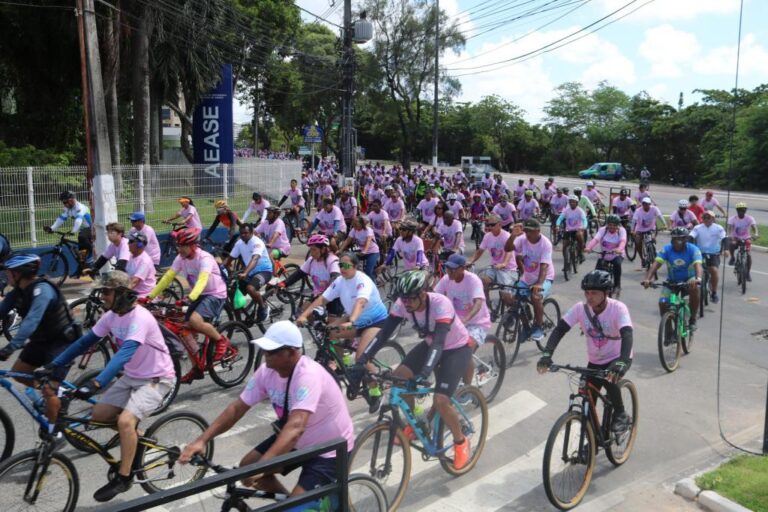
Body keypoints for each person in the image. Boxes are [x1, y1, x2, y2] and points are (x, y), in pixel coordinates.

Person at [178, 321, 354, 503]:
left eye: (271, 352)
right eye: (265, 350)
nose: (265, 356)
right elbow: (237, 408)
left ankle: (299, 504)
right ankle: (290, 502)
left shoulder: (308, 375)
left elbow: (296, 427)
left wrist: (264, 465)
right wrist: (202, 440)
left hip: (328, 449)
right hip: (298, 441)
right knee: (247, 469)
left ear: (292, 353)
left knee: (278, 487)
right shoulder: (266, 372)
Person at [43, 271, 175, 502]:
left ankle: (124, 478)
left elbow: (124, 354)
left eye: (107, 291)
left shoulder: (140, 318)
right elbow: (84, 342)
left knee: (125, 421)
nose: (102, 296)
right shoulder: (112, 316)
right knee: (98, 415)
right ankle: (134, 436)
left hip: (156, 378)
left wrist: (97, 382)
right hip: (132, 376)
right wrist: (53, 365)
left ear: (122, 295)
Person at [356, 270, 472, 470]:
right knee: (400, 379)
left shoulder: (440, 304)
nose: (406, 302)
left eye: (410, 298)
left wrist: (425, 372)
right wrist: (363, 359)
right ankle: (418, 423)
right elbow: (384, 334)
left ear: (423, 293)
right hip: (431, 345)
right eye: (403, 298)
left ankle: (461, 442)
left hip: (455, 348)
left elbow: (439, 342)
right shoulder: (403, 304)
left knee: (441, 401)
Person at [537, 270, 633, 434]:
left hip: (617, 357)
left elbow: (627, 334)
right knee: (587, 398)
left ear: (605, 293)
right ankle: (593, 438)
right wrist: (547, 354)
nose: (589, 297)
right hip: (595, 360)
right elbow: (560, 329)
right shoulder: (580, 309)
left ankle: (620, 413)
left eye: (594, 293)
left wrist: (622, 361)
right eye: (587, 293)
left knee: (610, 379)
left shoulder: (618, 308)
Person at [296, 253, 388, 413]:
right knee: (330, 333)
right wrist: (304, 315)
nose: (342, 269)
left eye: (346, 266)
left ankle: (375, 391)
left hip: (374, 321)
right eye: (340, 266)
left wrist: (351, 321)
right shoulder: (340, 281)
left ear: (355, 266)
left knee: (362, 357)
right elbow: (322, 300)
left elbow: (360, 302)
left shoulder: (362, 281)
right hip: (354, 319)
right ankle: (343, 364)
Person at [0, 254, 80, 435]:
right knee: (19, 373)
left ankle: (55, 432)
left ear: (20, 273)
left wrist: (10, 347)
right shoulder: (17, 292)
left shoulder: (42, 290)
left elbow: (31, 321)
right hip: (41, 340)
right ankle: (56, 394)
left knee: (48, 390)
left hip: (62, 342)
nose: (7, 276)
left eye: (10, 273)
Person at [147, 227, 230, 380]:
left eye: (183, 246)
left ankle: (220, 340)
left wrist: (190, 298)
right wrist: (150, 296)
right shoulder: (180, 259)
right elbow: (167, 277)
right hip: (198, 295)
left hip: (214, 293)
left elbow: (203, 280)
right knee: (183, 329)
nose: (180, 249)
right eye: (178, 246)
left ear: (193, 246)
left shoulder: (204, 258)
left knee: (194, 320)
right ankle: (197, 366)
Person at [434, 254, 492, 387]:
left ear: (462, 268)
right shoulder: (447, 279)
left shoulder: (473, 280)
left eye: (453, 269)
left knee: (464, 352)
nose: (449, 272)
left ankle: (467, 389)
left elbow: (478, 303)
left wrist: (466, 318)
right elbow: (435, 295)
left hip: (476, 323)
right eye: (448, 269)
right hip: (457, 323)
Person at [642, 227, 703, 331]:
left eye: (681, 239)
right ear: (672, 239)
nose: (678, 241)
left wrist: (698, 278)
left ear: (686, 239)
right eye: (675, 239)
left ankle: (693, 319)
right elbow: (655, 265)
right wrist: (647, 279)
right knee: (663, 303)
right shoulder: (667, 249)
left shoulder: (693, 249)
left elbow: (698, 265)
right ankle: (668, 328)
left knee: (694, 289)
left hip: (689, 280)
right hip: (672, 281)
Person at [507, 219, 555, 341]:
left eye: (530, 231)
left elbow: (544, 266)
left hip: (545, 278)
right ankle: (526, 325)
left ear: (538, 231)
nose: (527, 234)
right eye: (526, 231)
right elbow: (508, 248)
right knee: (516, 298)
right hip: (527, 278)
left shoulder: (545, 244)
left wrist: (539, 284)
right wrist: (512, 236)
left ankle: (538, 326)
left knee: (535, 297)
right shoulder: (522, 239)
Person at [282, 235, 343, 317]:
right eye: (310, 249)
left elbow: (335, 278)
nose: (311, 253)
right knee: (300, 314)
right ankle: (317, 326)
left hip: (334, 297)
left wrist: (325, 293)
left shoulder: (332, 260)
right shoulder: (311, 260)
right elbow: (299, 273)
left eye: (314, 250)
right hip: (317, 296)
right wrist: (284, 283)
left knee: (331, 327)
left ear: (323, 249)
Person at [224, 224, 273, 323]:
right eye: (241, 233)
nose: (243, 235)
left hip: (264, 271)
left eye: (246, 233)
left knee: (250, 288)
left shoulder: (257, 242)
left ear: (251, 233)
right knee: (232, 292)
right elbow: (229, 259)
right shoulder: (239, 243)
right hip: (250, 273)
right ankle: (238, 322)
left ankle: (263, 306)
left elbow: (254, 259)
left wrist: (245, 272)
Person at [466, 214, 517, 306]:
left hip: (508, 269)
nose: (489, 227)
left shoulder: (506, 236)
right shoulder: (487, 236)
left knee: (506, 297)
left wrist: (504, 263)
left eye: (492, 225)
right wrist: (470, 261)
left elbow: (509, 252)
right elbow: (480, 251)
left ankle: (518, 310)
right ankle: (488, 304)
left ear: (500, 224)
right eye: (488, 225)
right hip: (494, 268)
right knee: (482, 280)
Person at [44, 190, 93, 263]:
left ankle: (93, 253)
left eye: (65, 202)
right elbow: (61, 219)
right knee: (81, 251)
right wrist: (52, 228)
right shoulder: (68, 209)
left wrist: (73, 231)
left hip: (91, 227)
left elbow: (78, 220)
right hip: (83, 229)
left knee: (81, 237)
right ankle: (83, 265)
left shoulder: (80, 207)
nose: (64, 204)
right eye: (63, 202)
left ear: (72, 200)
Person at [585, 215, 626, 297]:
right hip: (604, 255)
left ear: (618, 225)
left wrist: (619, 249)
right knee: (597, 273)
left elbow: (623, 241)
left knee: (617, 265)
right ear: (607, 224)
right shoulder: (602, 230)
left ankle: (617, 285)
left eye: (614, 225)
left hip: (616, 254)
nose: (612, 227)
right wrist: (589, 247)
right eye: (610, 225)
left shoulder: (621, 231)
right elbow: (595, 239)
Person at [690, 211, 726, 303]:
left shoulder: (719, 228)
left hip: (713, 253)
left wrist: (726, 249)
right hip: (699, 253)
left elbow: (724, 239)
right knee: (694, 271)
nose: (706, 219)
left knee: (714, 270)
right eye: (704, 217)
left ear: (713, 219)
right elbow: (690, 237)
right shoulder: (697, 228)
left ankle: (714, 292)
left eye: (708, 217)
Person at [340, 216, 380, 281]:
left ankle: (374, 283)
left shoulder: (368, 230)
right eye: (353, 223)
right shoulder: (354, 230)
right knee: (350, 262)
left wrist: (365, 251)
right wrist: (340, 250)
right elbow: (347, 240)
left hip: (372, 252)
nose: (354, 224)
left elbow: (368, 241)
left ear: (361, 224)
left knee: (368, 271)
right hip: (361, 251)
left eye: (356, 223)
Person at [727, 202, 758, 280]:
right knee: (732, 244)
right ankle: (732, 258)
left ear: (745, 210)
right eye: (739, 210)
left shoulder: (750, 218)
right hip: (736, 238)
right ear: (737, 210)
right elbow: (729, 228)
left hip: (746, 238)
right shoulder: (732, 218)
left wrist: (756, 234)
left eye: (743, 210)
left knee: (748, 255)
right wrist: (730, 235)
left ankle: (747, 273)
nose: (741, 211)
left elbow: (754, 227)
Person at [630, 197, 664, 263]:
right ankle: (642, 258)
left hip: (651, 229)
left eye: (647, 204)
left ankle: (653, 251)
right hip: (640, 229)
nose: (645, 205)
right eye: (644, 204)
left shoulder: (654, 209)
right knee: (638, 242)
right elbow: (634, 221)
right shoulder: (638, 210)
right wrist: (632, 230)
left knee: (653, 239)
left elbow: (660, 216)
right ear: (642, 204)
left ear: (650, 204)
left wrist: (664, 224)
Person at [556, 196, 587, 267]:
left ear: (576, 203)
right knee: (564, 246)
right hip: (568, 230)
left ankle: (580, 253)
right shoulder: (566, 210)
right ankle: (566, 262)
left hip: (577, 230)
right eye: (570, 202)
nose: (572, 203)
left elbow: (584, 220)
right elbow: (560, 218)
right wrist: (557, 225)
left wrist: (584, 227)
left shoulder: (580, 210)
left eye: (573, 202)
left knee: (579, 236)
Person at [125, 232, 156, 298]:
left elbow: (135, 281)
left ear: (140, 245)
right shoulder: (131, 256)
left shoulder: (145, 262)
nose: (128, 243)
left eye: (131, 241)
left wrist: (122, 292)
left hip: (144, 295)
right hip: (133, 292)